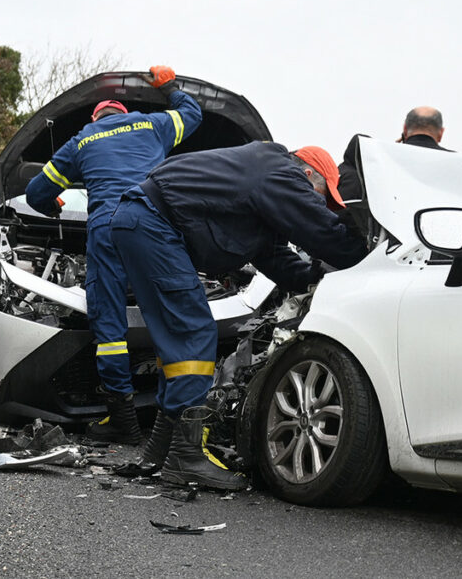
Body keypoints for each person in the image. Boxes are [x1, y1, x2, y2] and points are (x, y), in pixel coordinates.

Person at [109, 141, 368, 489]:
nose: (320, 205)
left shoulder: (259, 184)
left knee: (178, 344)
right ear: (308, 174)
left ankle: (159, 450)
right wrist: (362, 258)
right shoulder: (281, 171)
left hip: (141, 223)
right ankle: (186, 458)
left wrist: (318, 277)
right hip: (153, 224)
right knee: (194, 335)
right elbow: (321, 230)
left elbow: (275, 259)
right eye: (322, 196)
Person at [25, 66, 202, 445]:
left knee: (110, 330)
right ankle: (170, 418)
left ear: (96, 118)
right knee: (168, 321)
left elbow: (35, 194)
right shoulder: (153, 125)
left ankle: (122, 418)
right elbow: (194, 114)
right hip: (154, 223)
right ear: (124, 114)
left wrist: (55, 204)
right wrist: (169, 87)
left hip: (107, 229)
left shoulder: (83, 140)